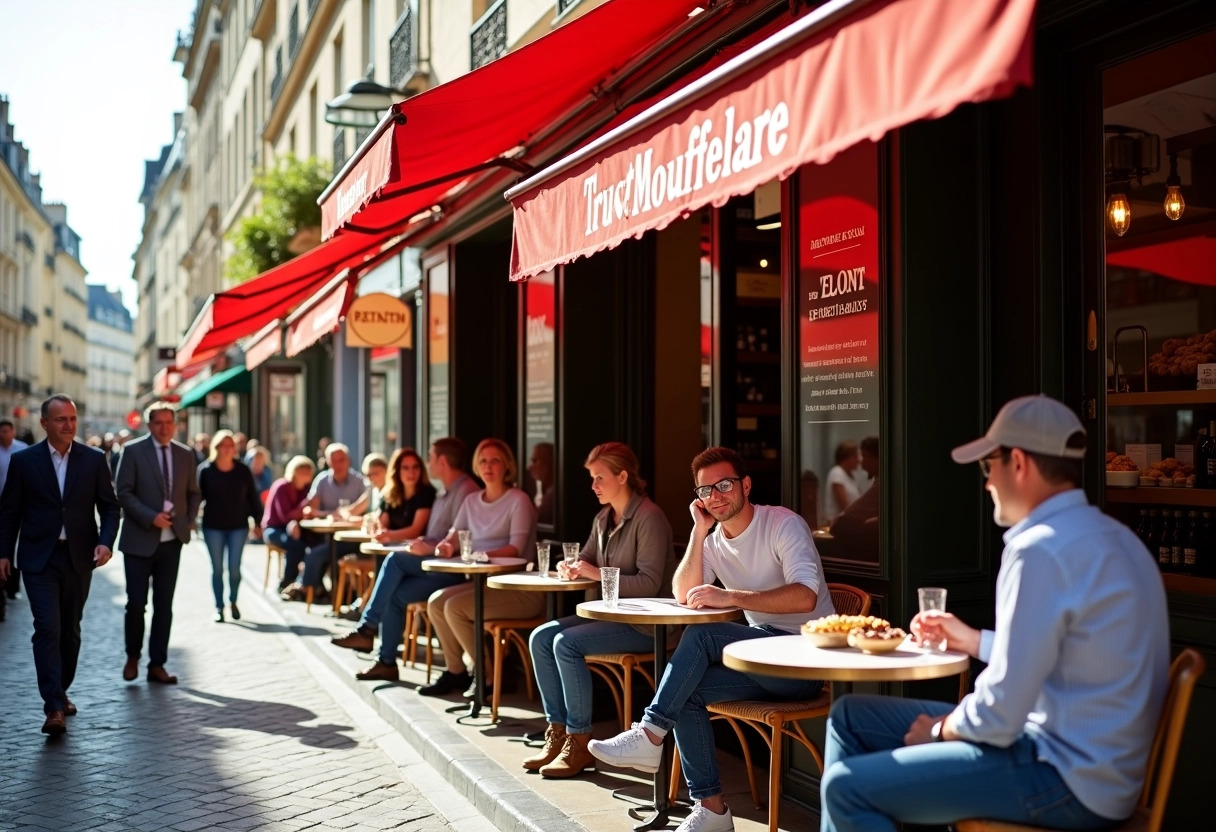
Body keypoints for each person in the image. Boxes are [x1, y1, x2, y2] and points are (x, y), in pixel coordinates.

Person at [819, 395, 1170, 832]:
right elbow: (1071, 656)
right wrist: (973, 640)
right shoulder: (1117, 539)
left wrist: (938, 731)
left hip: (1062, 774)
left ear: (1018, 463)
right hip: (1096, 765)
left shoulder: (1038, 548)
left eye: (989, 467)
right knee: (851, 714)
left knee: (844, 787)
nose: (987, 483)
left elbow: (1000, 718)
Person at [588, 446, 833, 832]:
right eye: (705, 490)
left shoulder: (782, 524)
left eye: (724, 485)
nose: (715, 496)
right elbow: (684, 593)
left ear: (745, 485)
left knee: (702, 635)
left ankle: (650, 734)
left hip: (803, 661)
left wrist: (731, 596)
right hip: (759, 658)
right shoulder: (715, 539)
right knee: (686, 690)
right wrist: (699, 532)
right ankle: (713, 810)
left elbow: (805, 594)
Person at [524, 442, 676, 778]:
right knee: (540, 637)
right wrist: (573, 566)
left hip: (646, 624)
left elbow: (650, 584)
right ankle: (558, 732)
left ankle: (579, 742)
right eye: (592, 478)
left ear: (623, 477)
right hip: (610, 617)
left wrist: (594, 573)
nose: (593, 485)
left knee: (566, 643)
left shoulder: (649, 517)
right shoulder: (603, 518)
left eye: (599, 477)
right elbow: (588, 559)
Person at [0, 395, 121, 734]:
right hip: (39, 557)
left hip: (79, 556)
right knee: (47, 628)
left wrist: (105, 542)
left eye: (72, 418)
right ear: (44, 424)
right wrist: (3, 552)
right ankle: (53, 706)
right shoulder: (24, 462)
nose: (69, 425)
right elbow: (9, 512)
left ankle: (61, 689)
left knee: (70, 630)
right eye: (60, 420)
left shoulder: (94, 459)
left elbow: (110, 508)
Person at [330, 437, 479, 682]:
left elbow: (457, 539)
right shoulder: (444, 491)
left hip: (452, 571)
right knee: (393, 593)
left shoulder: (464, 491)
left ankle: (367, 628)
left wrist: (427, 545)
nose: (426, 463)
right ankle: (386, 662)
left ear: (441, 461)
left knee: (394, 561)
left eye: (428, 458)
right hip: (434, 564)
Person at [425, 438, 539, 698]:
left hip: (521, 589)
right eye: (483, 461)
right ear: (476, 466)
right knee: (435, 602)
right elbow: (454, 535)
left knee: (454, 607)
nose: (488, 466)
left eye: (495, 460)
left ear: (506, 465)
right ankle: (456, 672)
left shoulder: (518, 500)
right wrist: (445, 546)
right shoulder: (472, 500)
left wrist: (481, 555)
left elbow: (516, 549)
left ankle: (486, 673)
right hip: (485, 584)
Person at [115, 402, 203, 685]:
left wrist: (188, 520)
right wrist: (151, 517)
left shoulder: (185, 454)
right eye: (158, 423)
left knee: (164, 605)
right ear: (149, 425)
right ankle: (132, 656)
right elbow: (123, 493)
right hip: (139, 540)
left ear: (175, 425)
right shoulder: (132, 451)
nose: (164, 428)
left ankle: (157, 664)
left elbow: (193, 493)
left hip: (171, 542)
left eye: (169, 423)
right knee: (136, 604)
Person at [284, 443, 369, 602]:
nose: (338, 465)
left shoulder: (359, 482)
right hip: (326, 535)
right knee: (309, 548)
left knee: (317, 554)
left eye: (341, 460)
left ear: (348, 461)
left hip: (351, 538)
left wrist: (334, 514)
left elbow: (362, 510)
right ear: (328, 462)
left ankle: (305, 588)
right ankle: (316, 590)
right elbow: (310, 508)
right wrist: (326, 514)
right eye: (333, 460)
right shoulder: (322, 480)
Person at [197, 430, 263, 623]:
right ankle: (219, 606)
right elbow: (196, 497)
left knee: (234, 568)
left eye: (230, 445)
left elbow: (253, 497)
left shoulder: (242, 470)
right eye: (222, 445)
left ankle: (233, 600)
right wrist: (189, 518)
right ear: (215, 448)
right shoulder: (206, 470)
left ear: (234, 448)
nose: (226, 449)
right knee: (217, 569)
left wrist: (258, 521)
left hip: (238, 526)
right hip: (212, 526)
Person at [262, 456, 316, 590]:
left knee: (315, 544)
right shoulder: (282, 487)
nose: (306, 476)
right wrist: (306, 504)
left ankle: (310, 583)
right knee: (294, 545)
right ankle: (287, 581)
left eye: (309, 472)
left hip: (298, 527)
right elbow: (285, 516)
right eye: (303, 472)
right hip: (274, 528)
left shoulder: (306, 489)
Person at [0, 417, 30, 616]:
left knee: (15, 547)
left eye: (8, 431)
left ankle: (13, 587)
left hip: (18, 505)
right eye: (2, 432)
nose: (5, 435)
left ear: (13, 432)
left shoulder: (23, 450)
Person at [822, 440, 860, 524]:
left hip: (848, 522)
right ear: (846, 458)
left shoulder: (851, 475)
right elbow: (844, 505)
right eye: (855, 456)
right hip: (837, 524)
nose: (858, 460)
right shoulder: (837, 473)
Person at [349, 452, 389, 517]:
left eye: (376, 473)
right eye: (369, 475)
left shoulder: (392, 492)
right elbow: (354, 510)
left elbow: (382, 517)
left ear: (386, 471)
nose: (372, 478)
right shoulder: (373, 491)